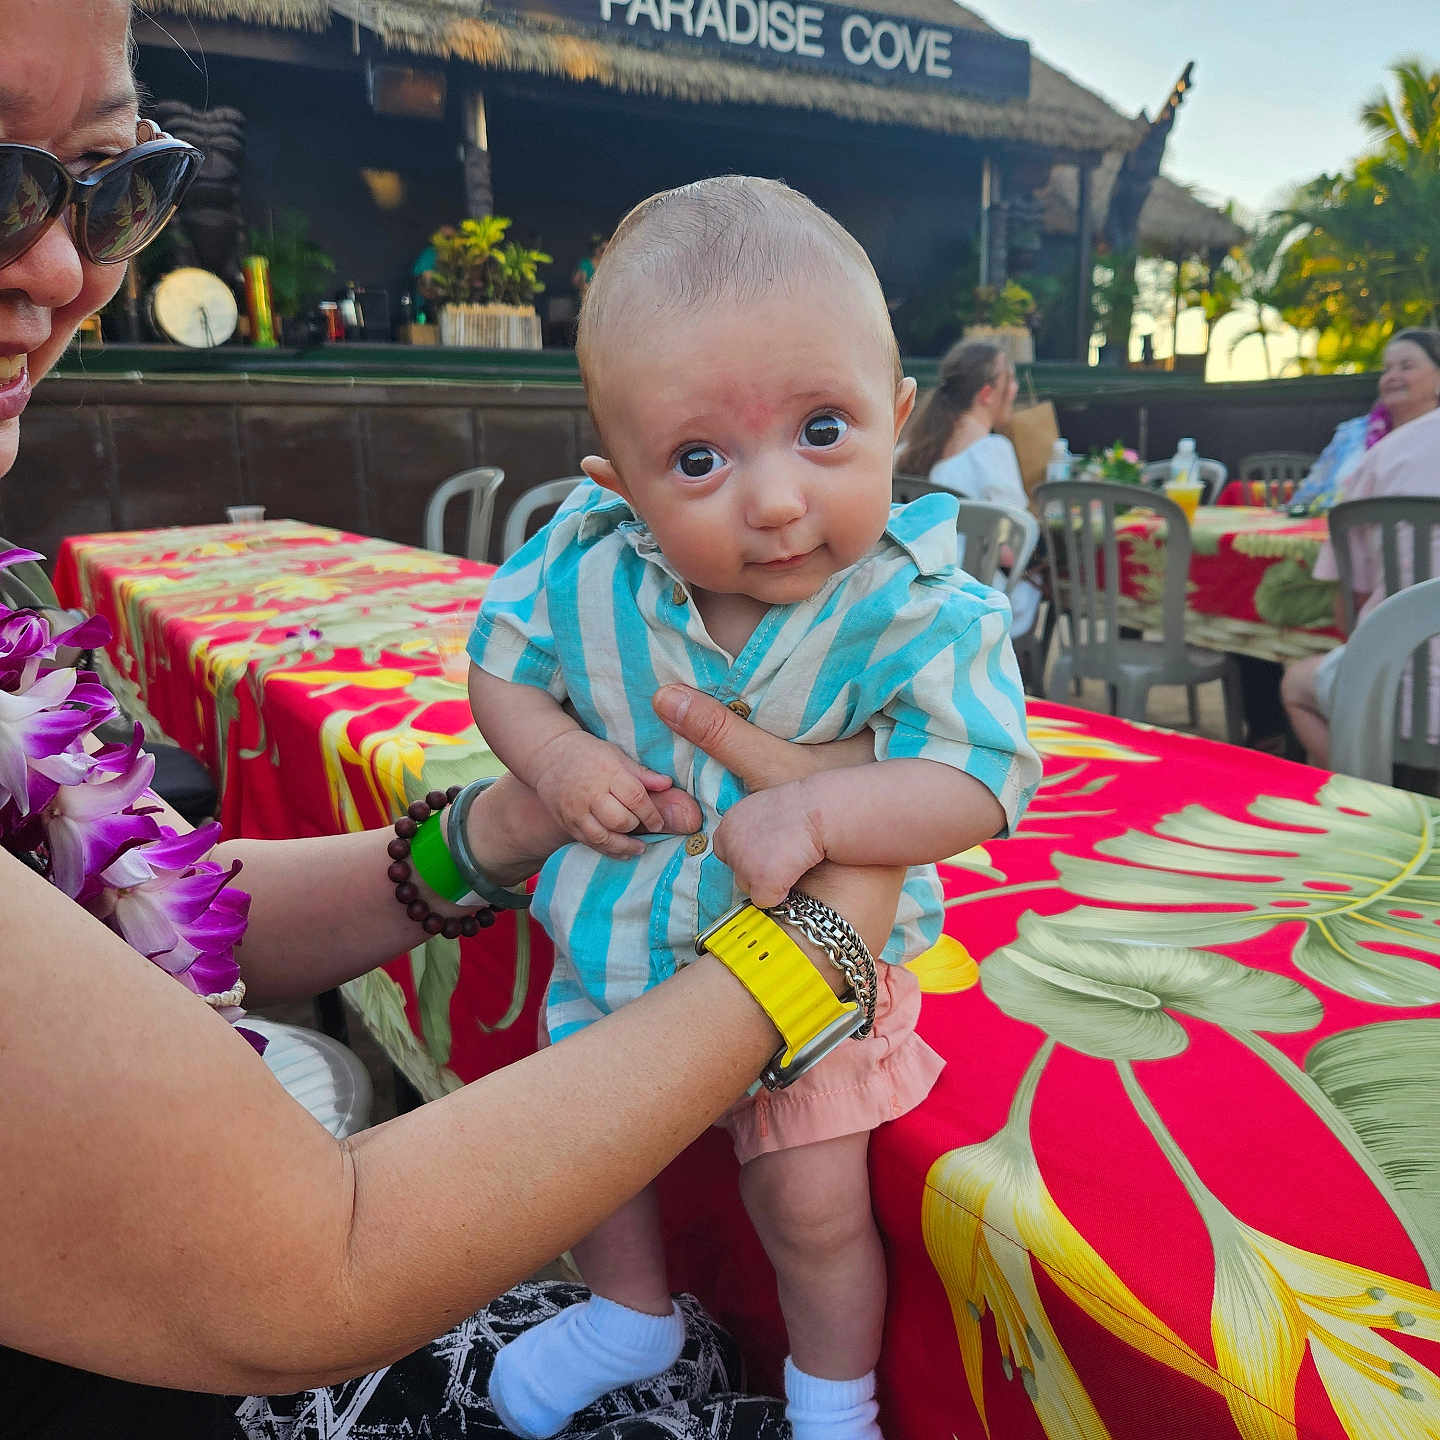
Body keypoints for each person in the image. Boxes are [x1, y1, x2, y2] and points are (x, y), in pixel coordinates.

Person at [0, 7, 908, 1437]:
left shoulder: (912, 603)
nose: (59, 264)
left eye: (106, 178)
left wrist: (491, 831)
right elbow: (308, 1267)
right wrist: (821, 935)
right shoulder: (584, 576)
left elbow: (97, 923)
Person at [467, 177, 1040, 1440]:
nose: (775, 500)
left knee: (812, 1206)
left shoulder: (920, 609)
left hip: (813, 992)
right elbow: (500, 666)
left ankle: (836, 1404)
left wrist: (832, 817)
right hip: (616, 953)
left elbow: (983, 777)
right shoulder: (584, 559)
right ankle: (628, 1310)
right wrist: (557, 763)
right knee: (584, 1160)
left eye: (823, 430)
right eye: (700, 460)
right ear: (619, 481)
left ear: (899, 419)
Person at [1281, 328, 1440, 766]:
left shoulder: (1379, 459)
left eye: (1407, 365)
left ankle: (1367, 792)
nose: (1392, 376)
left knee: (1296, 684)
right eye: (1387, 369)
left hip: (1396, 691)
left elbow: (1347, 609)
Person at [893, 339, 1038, 634]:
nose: (1015, 389)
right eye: (1009, 380)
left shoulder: (906, 452)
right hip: (978, 600)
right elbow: (1011, 552)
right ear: (986, 394)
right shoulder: (992, 451)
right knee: (1040, 590)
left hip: (914, 595)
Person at [570, 233, 607, 298]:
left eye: (604, 249)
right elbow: (579, 283)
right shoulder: (585, 263)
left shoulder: (607, 264)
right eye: (602, 250)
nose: (602, 251)